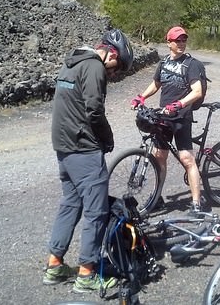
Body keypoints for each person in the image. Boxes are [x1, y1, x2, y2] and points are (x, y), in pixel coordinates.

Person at [43, 28, 134, 293]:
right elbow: (94, 110)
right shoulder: (94, 67)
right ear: (111, 54)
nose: (115, 74)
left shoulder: (71, 63)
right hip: (84, 149)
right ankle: (87, 273)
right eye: (117, 68)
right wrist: (107, 139)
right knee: (96, 212)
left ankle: (55, 265)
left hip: (64, 147)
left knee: (70, 204)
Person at [130, 25, 205, 215]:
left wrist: (179, 104)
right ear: (168, 43)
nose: (181, 43)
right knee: (159, 157)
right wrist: (142, 97)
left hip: (181, 117)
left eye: (183, 40)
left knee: (187, 159)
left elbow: (198, 92)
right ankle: (157, 198)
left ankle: (196, 204)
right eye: (177, 40)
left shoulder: (192, 64)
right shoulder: (164, 62)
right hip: (163, 117)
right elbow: (156, 84)